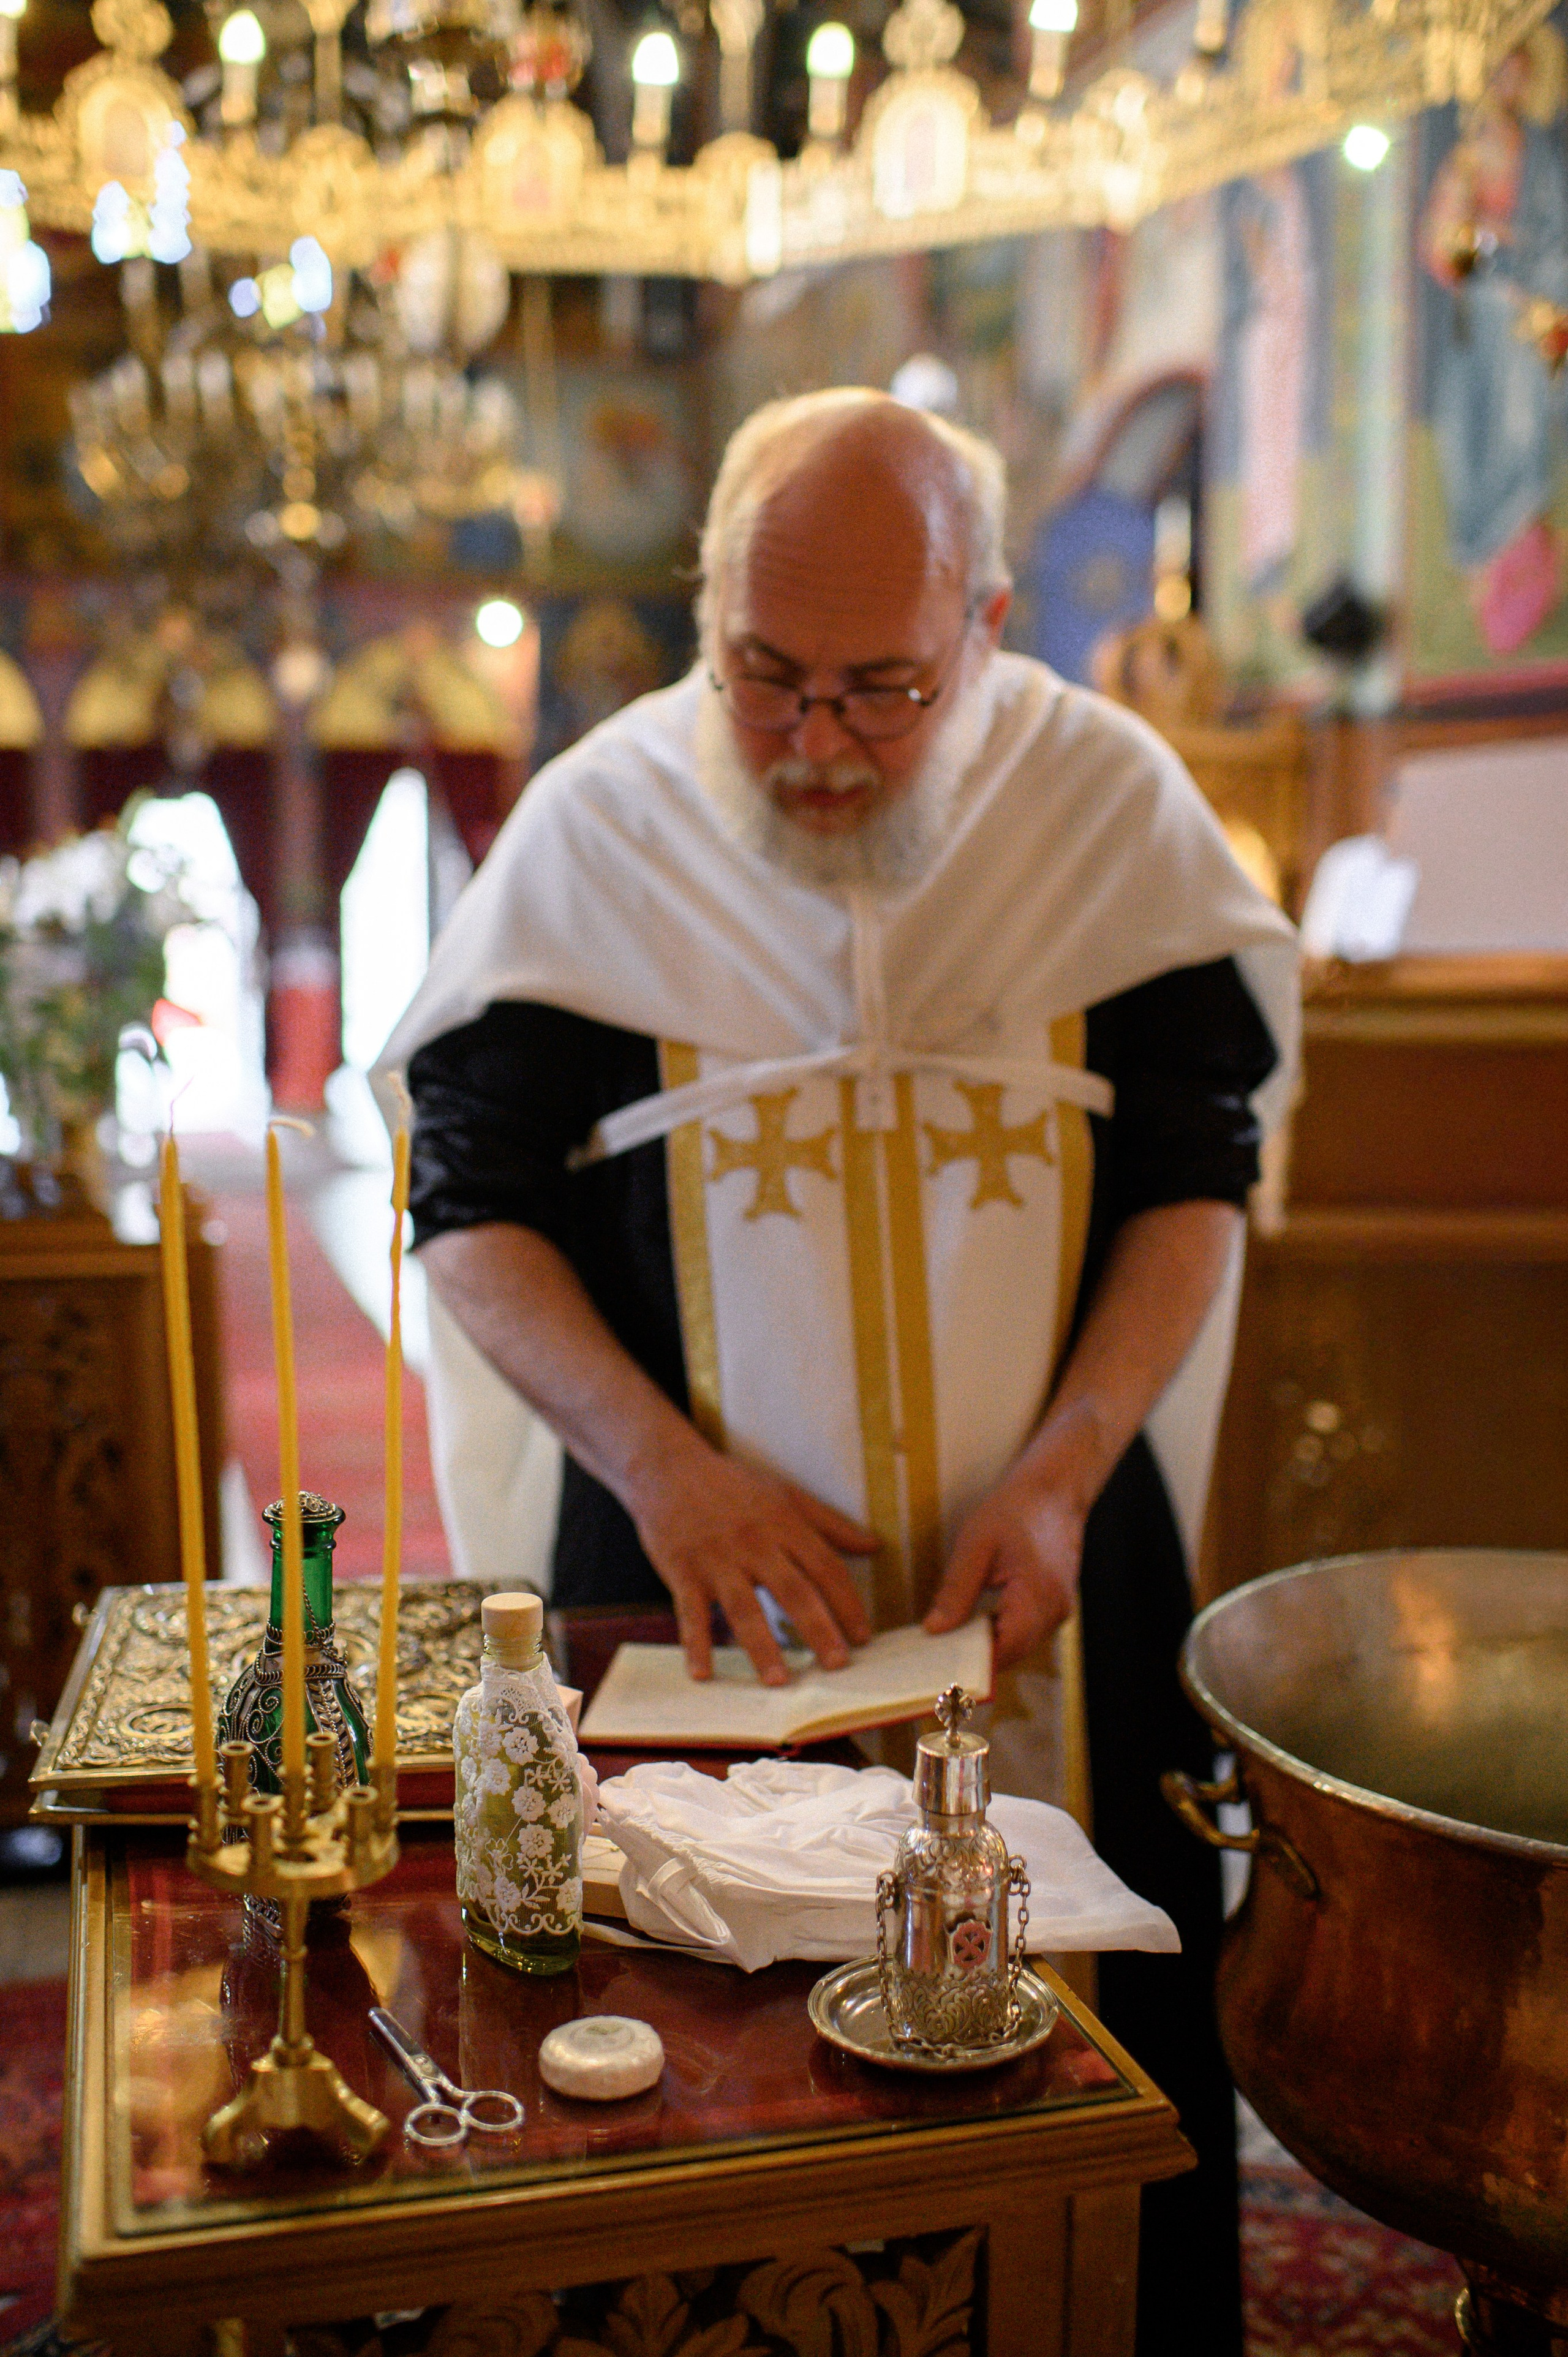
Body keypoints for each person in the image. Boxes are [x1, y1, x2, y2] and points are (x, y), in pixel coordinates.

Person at [382, 388, 1298, 2353]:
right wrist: (657, 1461)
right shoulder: (602, 830)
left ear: (983, 628)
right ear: (706, 611)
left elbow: (1194, 1164)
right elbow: (461, 1202)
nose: (813, 746)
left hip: (1051, 1570)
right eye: (763, 676)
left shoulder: (1107, 809)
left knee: (1107, 2065)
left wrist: (1067, 1464)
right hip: (690, 1589)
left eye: (880, 690)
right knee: (700, 2073)